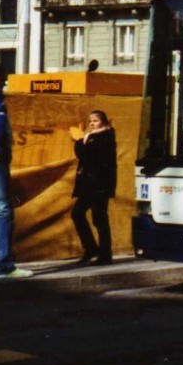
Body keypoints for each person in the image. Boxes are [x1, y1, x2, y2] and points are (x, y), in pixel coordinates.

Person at [0, 63, 32, 279]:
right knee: (3, 211)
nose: (4, 84)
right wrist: (1, 153)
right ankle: (5, 266)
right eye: (3, 80)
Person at [71, 110, 117, 266]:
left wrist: (78, 141)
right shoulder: (90, 137)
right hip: (88, 185)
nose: (92, 123)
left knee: (99, 219)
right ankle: (91, 248)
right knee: (77, 214)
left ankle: (105, 254)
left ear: (103, 122)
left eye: (95, 120)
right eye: (90, 121)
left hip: (99, 185)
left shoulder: (105, 137)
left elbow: (87, 156)